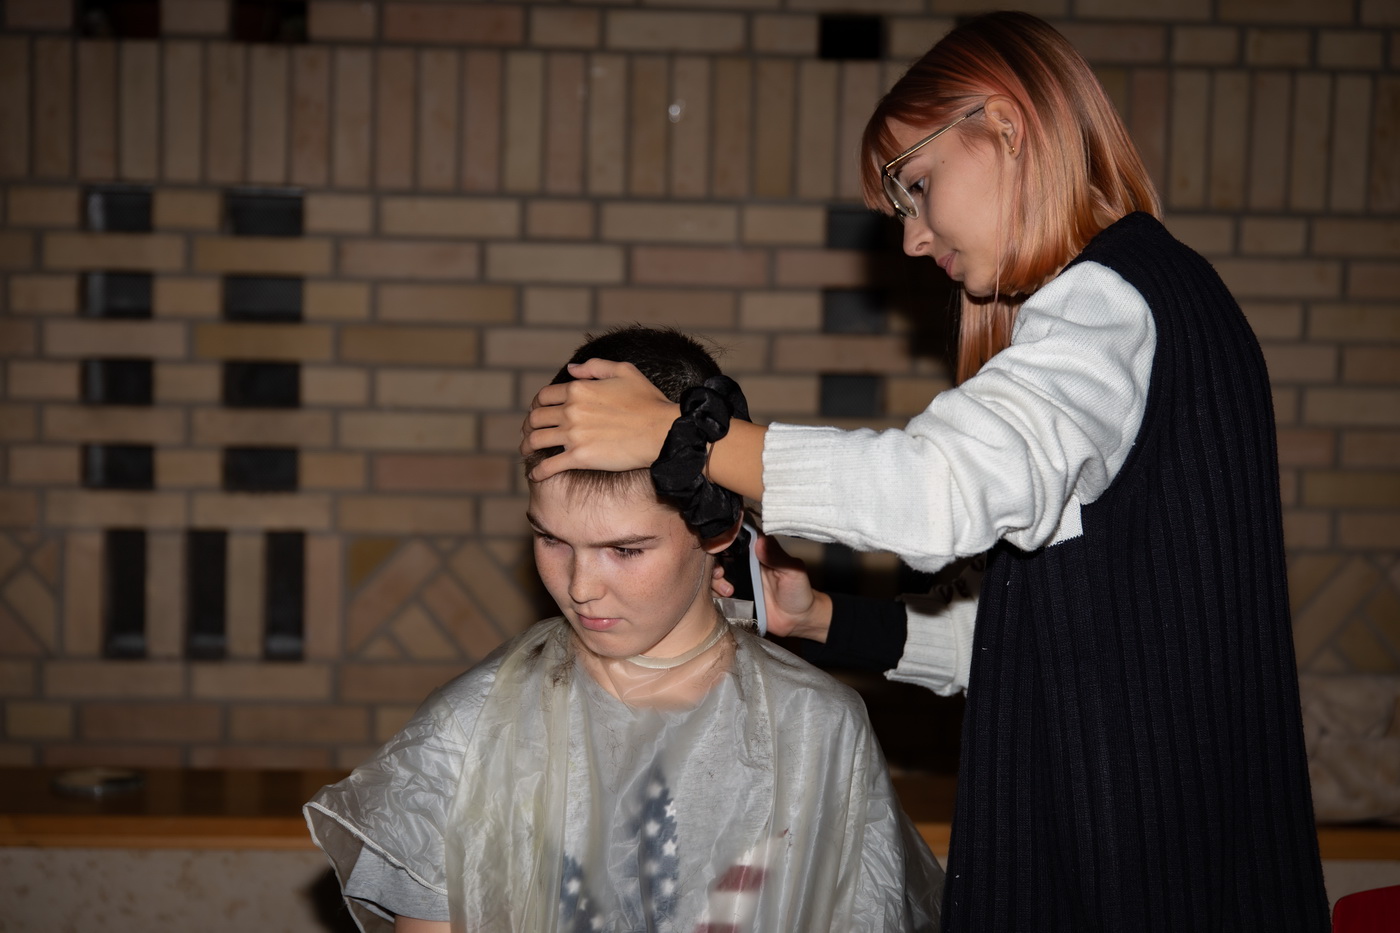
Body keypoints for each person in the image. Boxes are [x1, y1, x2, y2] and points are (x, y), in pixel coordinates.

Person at [521, 12, 1329, 932]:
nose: (913, 240)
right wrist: (822, 617)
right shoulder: (1162, 300)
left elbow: (937, 492)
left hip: (1140, 883)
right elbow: (1044, 643)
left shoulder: (1108, 303)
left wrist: (691, 439)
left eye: (916, 186)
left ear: (1005, 123)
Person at [305, 326, 944, 933]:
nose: (581, 587)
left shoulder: (813, 727)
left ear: (717, 531)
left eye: (626, 550)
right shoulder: (469, 730)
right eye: (552, 540)